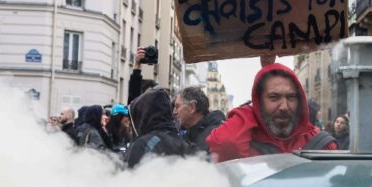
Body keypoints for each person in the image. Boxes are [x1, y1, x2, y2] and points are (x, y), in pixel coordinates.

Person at [207, 63, 337, 161]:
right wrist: (249, 112)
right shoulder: (245, 139)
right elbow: (226, 143)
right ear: (259, 101)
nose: (284, 107)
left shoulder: (321, 143)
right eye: (274, 97)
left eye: (291, 97)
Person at [125, 48, 192, 167]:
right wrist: (136, 68)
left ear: (146, 113)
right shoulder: (183, 143)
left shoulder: (143, 145)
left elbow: (130, 181)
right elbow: (133, 107)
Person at [173, 86, 225, 152]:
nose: (174, 112)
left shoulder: (213, 136)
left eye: (177, 106)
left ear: (192, 107)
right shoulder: (189, 133)